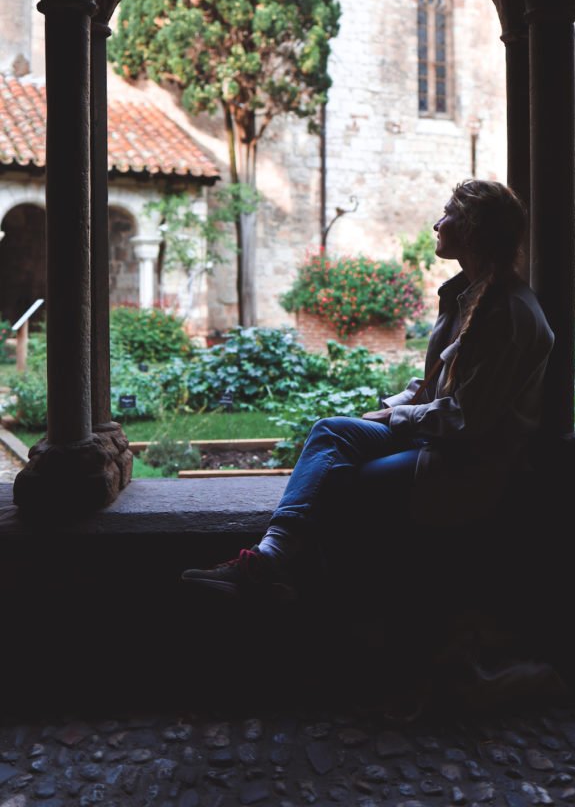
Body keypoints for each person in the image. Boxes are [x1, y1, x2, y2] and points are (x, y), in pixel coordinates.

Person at [182, 179, 554, 603]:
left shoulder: (508, 313)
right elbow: (440, 386)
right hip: (438, 440)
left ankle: (293, 582)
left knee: (348, 483)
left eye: (448, 213)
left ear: (472, 229)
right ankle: (271, 556)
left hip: (470, 462)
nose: (437, 223)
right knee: (332, 431)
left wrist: (395, 417)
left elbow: (468, 419)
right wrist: (395, 408)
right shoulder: (464, 297)